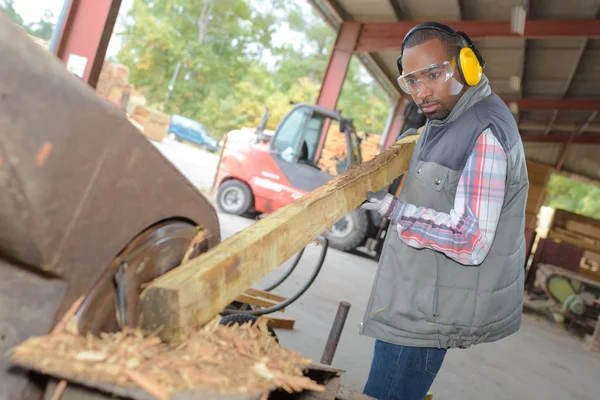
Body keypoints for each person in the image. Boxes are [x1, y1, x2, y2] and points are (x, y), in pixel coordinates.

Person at [359, 22, 529, 400]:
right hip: (418, 293)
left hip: (427, 312)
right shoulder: (447, 114)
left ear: (467, 66)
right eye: (412, 81)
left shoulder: (484, 133)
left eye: (434, 75)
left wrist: (393, 209)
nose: (422, 92)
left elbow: (470, 240)